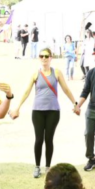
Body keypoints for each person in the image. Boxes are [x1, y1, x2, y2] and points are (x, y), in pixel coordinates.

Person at [11, 47, 77, 178]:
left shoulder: (56, 72)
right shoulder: (35, 74)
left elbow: (66, 89)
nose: (44, 58)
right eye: (41, 56)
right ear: (39, 58)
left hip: (53, 110)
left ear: (51, 57)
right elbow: (26, 91)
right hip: (38, 111)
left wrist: (75, 103)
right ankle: (37, 166)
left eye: (46, 56)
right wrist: (17, 107)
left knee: (49, 139)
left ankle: (47, 167)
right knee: (39, 139)